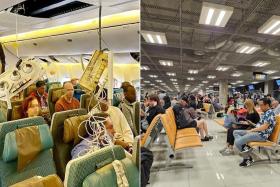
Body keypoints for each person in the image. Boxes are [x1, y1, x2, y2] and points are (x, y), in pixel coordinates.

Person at [233, 98, 276, 167]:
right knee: (235, 132)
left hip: (261, 135)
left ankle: (247, 158)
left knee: (238, 142)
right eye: (259, 105)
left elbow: (264, 127)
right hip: (257, 132)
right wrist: (252, 124)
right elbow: (260, 125)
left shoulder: (270, 113)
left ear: (267, 105)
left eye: (261, 105)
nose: (260, 107)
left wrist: (252, 130)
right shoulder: (265, 113)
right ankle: (246, 150)